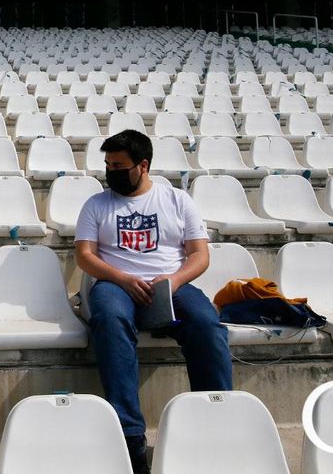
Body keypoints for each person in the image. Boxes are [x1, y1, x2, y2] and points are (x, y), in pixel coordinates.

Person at [74, 130, 232, 474]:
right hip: (116, 284)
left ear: (142, 165)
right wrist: (122, 278)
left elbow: (199, 255)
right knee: (110, 320)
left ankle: (218, 421)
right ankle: (130, 437)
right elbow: (85, 256)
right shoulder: (97, 204)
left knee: (207, 325)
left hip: (171, 285)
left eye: (118, 165)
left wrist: (173, 281)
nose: (110, 170)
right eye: (107, 164)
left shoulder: (177, 200)